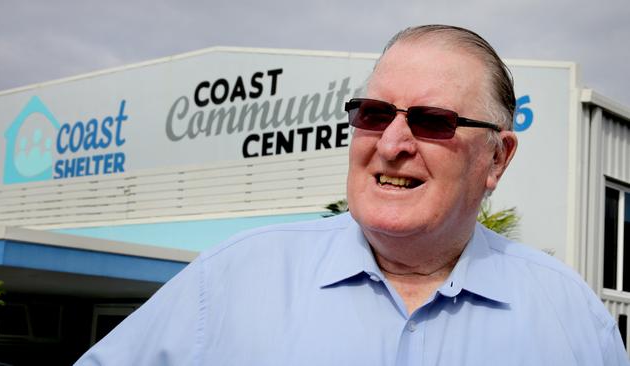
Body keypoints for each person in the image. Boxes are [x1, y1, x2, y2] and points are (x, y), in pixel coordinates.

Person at [75, 25, 629, 365]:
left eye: (432, 121)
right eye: (374, 113)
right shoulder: (229, 280)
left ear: (497, 158)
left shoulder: (571, 317)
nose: (391, 143)